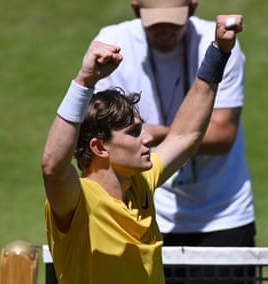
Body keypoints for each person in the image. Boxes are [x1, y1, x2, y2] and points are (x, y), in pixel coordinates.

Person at [42, 15, 243, 284]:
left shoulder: (140, 184)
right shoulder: (79, 201)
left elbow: (184, 135)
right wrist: (84, 82)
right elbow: (53, 167)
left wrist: (219, 52)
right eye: (134, 132)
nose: (148, 138)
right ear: (99, 147)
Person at [92, 1, 255, 250]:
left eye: (174, 21)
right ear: (136, 9)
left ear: (193, 7)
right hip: (145, 214)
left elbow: (222, 135)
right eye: (156, 23)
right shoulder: (111, 45)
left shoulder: (217, 42)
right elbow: (101, 136)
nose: (165, 30)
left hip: (222, 214)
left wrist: (157, 134)